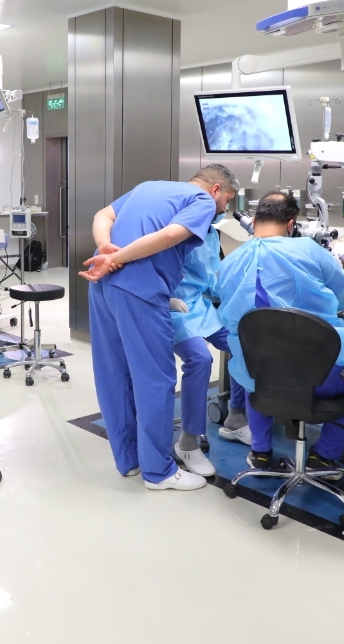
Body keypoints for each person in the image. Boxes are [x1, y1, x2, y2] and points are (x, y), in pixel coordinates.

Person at [79, 164, 240, 491]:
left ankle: (130, 460)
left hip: (102, 286)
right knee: (155, 379)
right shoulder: (202, 201)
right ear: (215, 190)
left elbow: (102, 215)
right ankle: (159, 471)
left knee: (115, 374)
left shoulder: (148, 186)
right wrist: (117, 257)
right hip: (140, 289)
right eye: (227, 200)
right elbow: (168, 237)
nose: (224, 208)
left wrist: (105, 247)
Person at [217, 191, 344, 478]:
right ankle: (324, 456)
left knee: (259, 371)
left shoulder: (230, 262)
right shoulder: (309, 250)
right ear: (292, 224)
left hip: (259, 374)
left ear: (254, 221)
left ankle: (260, 452)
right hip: (320, 377)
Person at [169, 222, 250, 477]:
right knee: (200, 359)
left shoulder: (211, 233)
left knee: (243, 346)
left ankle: (236, 418)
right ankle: (187, 443)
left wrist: (234, 291)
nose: (226, 207)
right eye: (225, 202)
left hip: (200, 306)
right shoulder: (175, 231)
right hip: (174, 310)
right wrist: (163, 297)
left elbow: (210, 276)